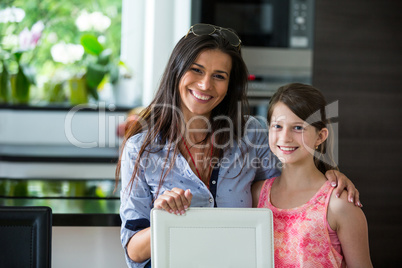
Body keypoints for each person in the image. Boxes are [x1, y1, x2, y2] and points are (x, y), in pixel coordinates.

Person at [116, 24, 360, 268]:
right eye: (196, 70)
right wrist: (165, 220)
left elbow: (293, 179)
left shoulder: (251, 134)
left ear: (230, 84)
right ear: (176, 71)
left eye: (219, 76)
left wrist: (330, 176)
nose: (205, 85)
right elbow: (133, 252)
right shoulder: (141, 148)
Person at [252, 83, 372, 267]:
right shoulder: (256, 194)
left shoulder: (339, 204)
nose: (285, 137)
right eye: (277, 126)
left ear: (320, 136)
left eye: (298, 128)